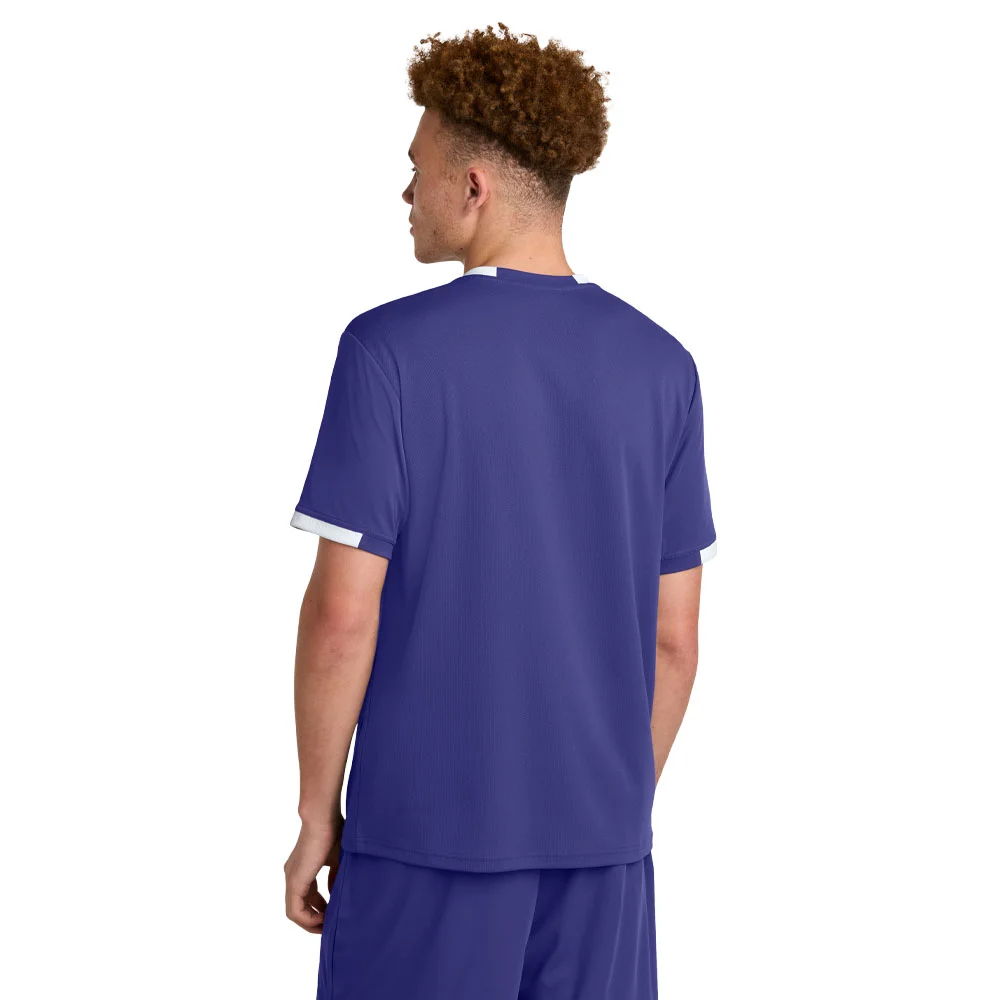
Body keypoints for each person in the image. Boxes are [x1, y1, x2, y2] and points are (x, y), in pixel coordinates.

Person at [283, 22, 716, 1000]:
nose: (406, 192)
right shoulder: (664, 368)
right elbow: (674, 642)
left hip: (422, 843)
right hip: (604, 861)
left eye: (418, 169)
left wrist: (316, 811)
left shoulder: (386, 353)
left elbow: (343, 616)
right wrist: (607, 808)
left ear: (473, 187)